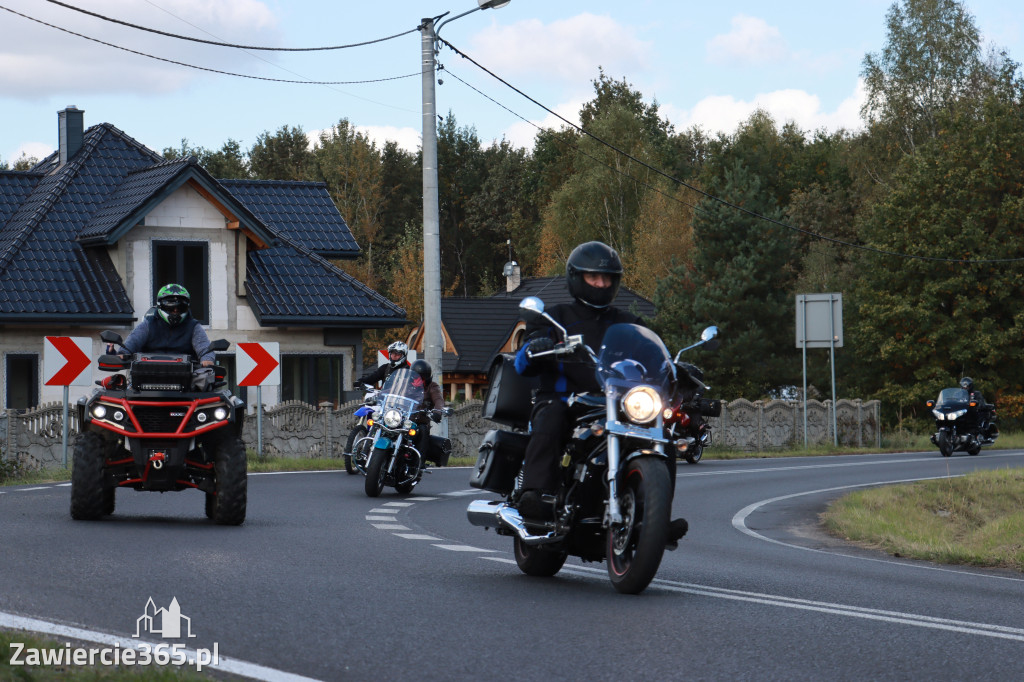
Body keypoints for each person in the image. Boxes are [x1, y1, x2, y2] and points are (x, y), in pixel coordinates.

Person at [513, 241, 688, 543]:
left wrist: (678, 369)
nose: (601, 284)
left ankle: (655, 516)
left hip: (617, 403)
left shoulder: (629, 323)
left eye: (607, 278)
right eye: (594, 277)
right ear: (576, 278)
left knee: (663, 439)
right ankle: (535, 493)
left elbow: (654, 357)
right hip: (566, 399)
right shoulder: (554, 317)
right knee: (552, 415)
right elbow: (522, 361)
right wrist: (535, 348)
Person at [110, 284, 214, 365]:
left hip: (186, 382)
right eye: (171, 307)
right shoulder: (148, 324)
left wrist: (207, 358)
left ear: (187, 307)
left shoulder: (194, 327)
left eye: (180, 307)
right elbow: (132, 342)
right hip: (145, 378)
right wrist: (122, 353)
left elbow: (204, 348)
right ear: (160, 305)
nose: (175, 310)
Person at [409, 359, 449, 467]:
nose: (418, 380)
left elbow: (439, 400)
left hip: (420, 420)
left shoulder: (432, 386)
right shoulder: (405, 384)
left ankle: (419, 461)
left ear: (426, 377)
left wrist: (437, 411)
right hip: (403, 418)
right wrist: (378, 396)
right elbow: (393, 392)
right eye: (416, 376)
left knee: (423, 430)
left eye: (421, 377)